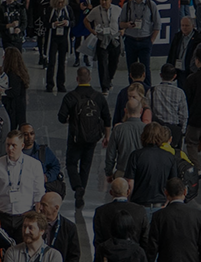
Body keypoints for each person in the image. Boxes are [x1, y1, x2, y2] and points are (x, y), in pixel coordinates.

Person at [58, 67, 112, 206]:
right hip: (93, 137)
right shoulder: (98, 97)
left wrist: (71, 119)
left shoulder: (70, 97)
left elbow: (61, 118)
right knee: (86, 164)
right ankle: (81, 192)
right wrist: (107, 136)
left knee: (71, 163)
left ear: (77, 79)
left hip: (75, 137)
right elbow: (107, 118)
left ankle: (77, 187)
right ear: (90, 78)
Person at [0, 130, 48, 242]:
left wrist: (36, 216)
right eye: (8, 145)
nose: (10, 148)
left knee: (22, 247)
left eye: (14, 145)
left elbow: (39, 193)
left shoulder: (34, 165)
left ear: (22, 146)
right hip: (1, 215)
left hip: (24, 215)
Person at [125, 123, 181, 208]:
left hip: (139, 203)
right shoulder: (169, 157)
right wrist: (166, 202)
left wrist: (129, 200)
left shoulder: (136, 155)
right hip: (160, 204)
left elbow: (130, 182)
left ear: (143, 136)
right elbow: (173, 183)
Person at [119, 0, 160, 86]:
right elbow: (120, 24)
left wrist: (151, 41)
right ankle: (132, 89)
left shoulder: (151, 5)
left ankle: (146, 90)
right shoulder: (126, 6)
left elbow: (157, 25)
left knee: (145, 68)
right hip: (130, 40)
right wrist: (127, 24)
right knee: (131, 68)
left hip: (145, 40)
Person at [84, 0, 124, 94]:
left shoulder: (117, 9)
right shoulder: (96, 10)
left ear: (110, 0)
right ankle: (104, 86)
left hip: (114, 39)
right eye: (102, 0)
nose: (104, 2)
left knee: (114, 62)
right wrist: (92, 31)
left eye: (106, 0)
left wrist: (123, 29)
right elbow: (86, 20)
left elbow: (123, 21)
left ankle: (109, 79)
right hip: (102, 39)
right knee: (102, 63)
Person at [106, 99, 147, 180]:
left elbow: (110, 153)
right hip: (142, 172)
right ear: (141, 111)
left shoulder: (118, 129)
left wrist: (109, 172)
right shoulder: (146, 129)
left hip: (122, 172)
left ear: (125, 110)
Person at [42, 0, 74, 93]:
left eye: (62, 2)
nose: (60, 5)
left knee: (62, 63)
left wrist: (67, 23)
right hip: (53, 38)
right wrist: (53, 24)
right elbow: (45, 23)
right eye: (59, 3)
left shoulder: (68, 9)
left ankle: (61, 84)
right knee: (51, 62)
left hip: (64, 38)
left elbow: (73, 22)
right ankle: (49, 84)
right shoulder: (50, 10)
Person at [151, 63, 189, 144]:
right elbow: (183, 115)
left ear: (160, 75)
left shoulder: (152, 91)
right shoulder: (180, 93)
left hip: (157, 129)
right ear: (174, 76)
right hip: (174, 129)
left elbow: (148, 110)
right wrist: (181, 131)